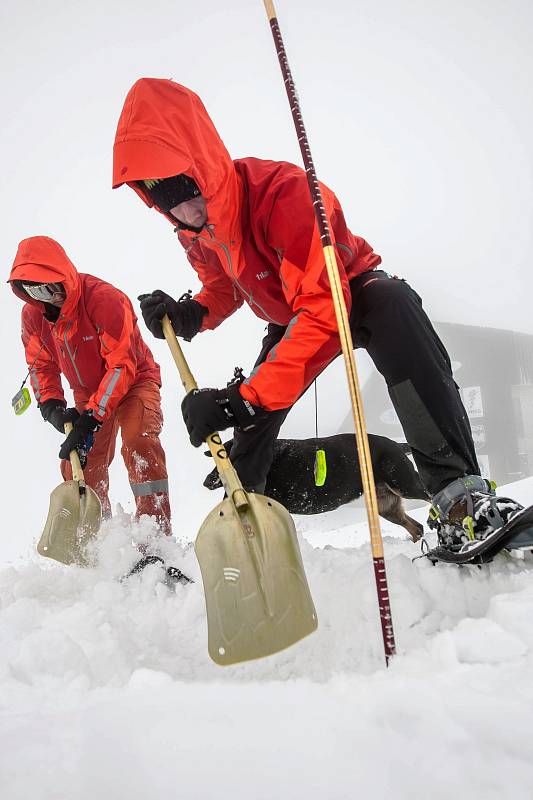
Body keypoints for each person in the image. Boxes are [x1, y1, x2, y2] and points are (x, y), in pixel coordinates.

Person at [112, 77, 522, 556]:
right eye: (167, 203)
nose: (185, 211)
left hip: (349, 292)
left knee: (395, 308)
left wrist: (240, 398)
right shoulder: (194, 231)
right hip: (288, 317)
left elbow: (327, 311)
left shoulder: (284, 195)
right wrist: (192, 313)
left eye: (189, 191)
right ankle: (248, 532)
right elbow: (226, 287)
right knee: (251, 426)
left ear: (205, 165)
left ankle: (459, 503)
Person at [9, 235, 171, 535]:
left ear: (64, 276)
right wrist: (51, 406)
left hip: (135, 380)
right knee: (78, 464)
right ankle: (98, 538)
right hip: (88, 392)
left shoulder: (104, 299)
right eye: (36, 291)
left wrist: (92, 418)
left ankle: (155, 536)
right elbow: (41, 365)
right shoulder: (34, 316)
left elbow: (122, 364)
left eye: (50, 286)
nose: (48, 296)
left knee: (139, 442)